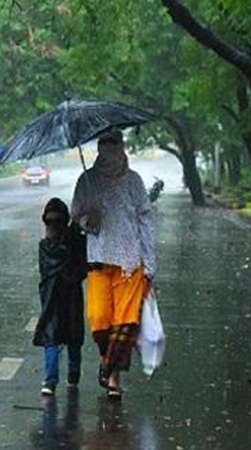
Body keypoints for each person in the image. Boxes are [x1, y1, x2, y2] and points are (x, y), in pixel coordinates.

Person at [71, 128, 156, 400]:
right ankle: (108, 361)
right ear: (98, 147)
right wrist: (87, 220)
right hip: (98, 261)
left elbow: (145, 221)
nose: (108, 147)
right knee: (99, 320)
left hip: (131, 263)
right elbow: (76, 214)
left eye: (113, 142)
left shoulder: (134, 181)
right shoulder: (87, 181)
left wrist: (150, 264)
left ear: (121, 146)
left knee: (124, 323)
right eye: (103, 142)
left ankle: (113, 377)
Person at [34, 198, 87, 396]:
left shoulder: (76, 242)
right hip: (51, 298)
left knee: (73, 337)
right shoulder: (45, 246)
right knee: (51, 336)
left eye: (57, 221)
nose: (53, 225)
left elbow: (80, 269)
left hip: (71, 296)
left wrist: (73, 241)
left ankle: (73, 374)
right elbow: (52, 267)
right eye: (49, 221)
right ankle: (50, 380)